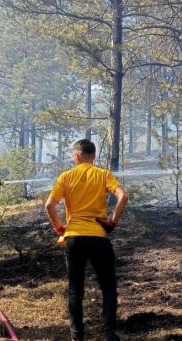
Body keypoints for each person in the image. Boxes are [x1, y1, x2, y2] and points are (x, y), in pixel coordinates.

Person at [45, 139, 128, 341]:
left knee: (75, 288)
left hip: (74, 238)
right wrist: (112, 222)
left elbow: (49, 205)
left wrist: (59, 228)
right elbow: (123, 196)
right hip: (98, 236)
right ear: (94, 155)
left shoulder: (66, 176)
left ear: (76, 156)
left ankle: (77, 336)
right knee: (108, 287)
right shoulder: (103, 174)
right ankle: (108, 335)